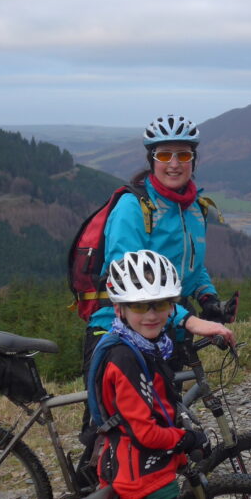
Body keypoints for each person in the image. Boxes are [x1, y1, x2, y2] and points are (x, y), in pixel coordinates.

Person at [91, 249, 208, 499]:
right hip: (143, 483)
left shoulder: (141, 344)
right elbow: (145, 433)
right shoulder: (125, 358)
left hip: (124, 469)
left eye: (160, 303)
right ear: (120, 307)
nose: (152, 313)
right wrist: (185, 439)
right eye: (140, 305)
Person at [83, 115, 236, 371]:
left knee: (167, 408)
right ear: (152, 160)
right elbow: (127, 282)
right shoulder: (132, 208)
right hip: (121, 330)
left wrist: (207, 297)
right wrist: (188, 320)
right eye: (164, 155)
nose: (174, 164)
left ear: (193, 160)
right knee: (117, 410)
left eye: (183, 155)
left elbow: (191, 266)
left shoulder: (196, 208)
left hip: (168, 327)